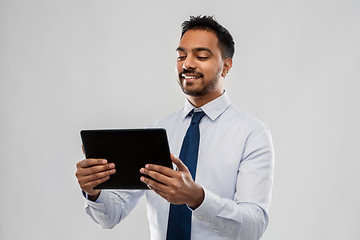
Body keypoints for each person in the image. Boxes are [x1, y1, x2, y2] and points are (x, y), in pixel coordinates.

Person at [75, 15, 274, 240]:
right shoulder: (156, 132)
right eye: (181, 56)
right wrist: (94, 191)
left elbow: (253, 227)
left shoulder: (252, 134)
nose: (187, 64)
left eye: (201, 56)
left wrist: (197, 198)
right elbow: (110, 217)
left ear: (226, 66)